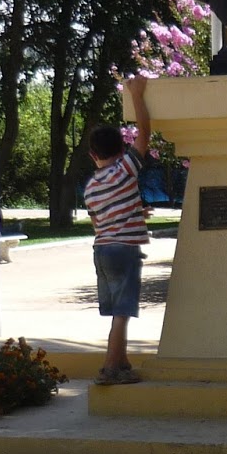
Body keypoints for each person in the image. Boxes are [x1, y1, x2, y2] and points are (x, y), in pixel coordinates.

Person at [84, 77, 151, 385]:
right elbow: (144, 134)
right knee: (123, 312)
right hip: (125, 250)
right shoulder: (125, 169)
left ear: (92, 155)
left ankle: (121, 363)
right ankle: (110, 369)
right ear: (122, 148)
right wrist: (137, 94)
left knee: (116, 309)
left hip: (102, 250)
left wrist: (133, 213)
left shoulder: (91, 186)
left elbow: (99, 222)